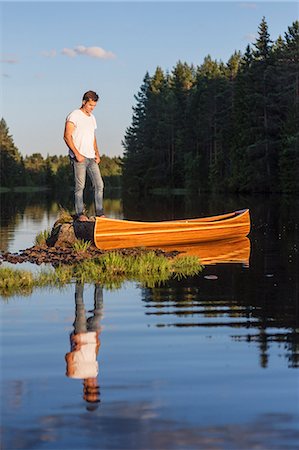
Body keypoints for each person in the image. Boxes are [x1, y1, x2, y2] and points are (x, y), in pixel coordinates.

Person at [64, 90, 104, 221]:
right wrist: (77, 154)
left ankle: (99, 213)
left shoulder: (92, 118)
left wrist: (97, 154)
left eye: (94, 106)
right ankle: (80, 213)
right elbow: (66, 136)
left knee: (99, 185)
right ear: (84, 102)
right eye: (90, 105)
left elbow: (93, 137)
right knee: (80, 187)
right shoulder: (74, 115)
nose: (92, 108)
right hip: (79, 158)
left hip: (91, 157)